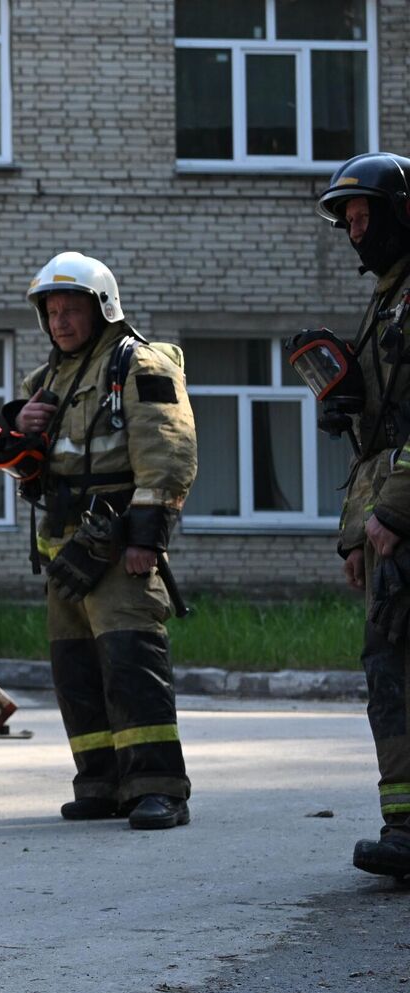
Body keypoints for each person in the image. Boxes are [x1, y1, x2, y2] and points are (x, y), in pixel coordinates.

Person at [0, 252, 196, 830]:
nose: (60, 323)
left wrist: (146, 538)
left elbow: (167, 457)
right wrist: (18, 430)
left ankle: (158, 787)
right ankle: (100, 782)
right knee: (75, 670)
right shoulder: (46, 380)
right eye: (51, 313)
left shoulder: (138, 364)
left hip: (120, 541)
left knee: (131, 661)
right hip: (64, 550)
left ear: (102, 309)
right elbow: (21, 463)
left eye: (71, 310)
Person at [309, 153, 410, 877]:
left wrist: (397, 513)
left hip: (404, 517)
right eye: (348, 221)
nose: (355, 232)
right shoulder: (388, 299)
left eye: (365, 216)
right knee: (388, 669)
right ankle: (403, 825)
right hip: (385, 521)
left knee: (399, 664)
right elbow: (378, 436)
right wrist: (356, 534)